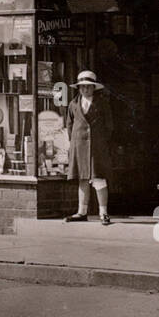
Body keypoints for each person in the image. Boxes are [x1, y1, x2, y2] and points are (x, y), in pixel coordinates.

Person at [63, 70, 114, 225]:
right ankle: (82, 212)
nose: (85, 89)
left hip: (97, 147)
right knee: (83, 179)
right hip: (79, 146)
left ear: (94, 88)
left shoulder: (102, 103)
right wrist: (74, 144)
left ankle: (103, 213)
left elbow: (109, 126)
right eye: (82, 87)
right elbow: (69, 126)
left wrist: (100, 142)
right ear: (79, 88)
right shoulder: (73, 104)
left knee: (99, 179)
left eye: (89, 87)